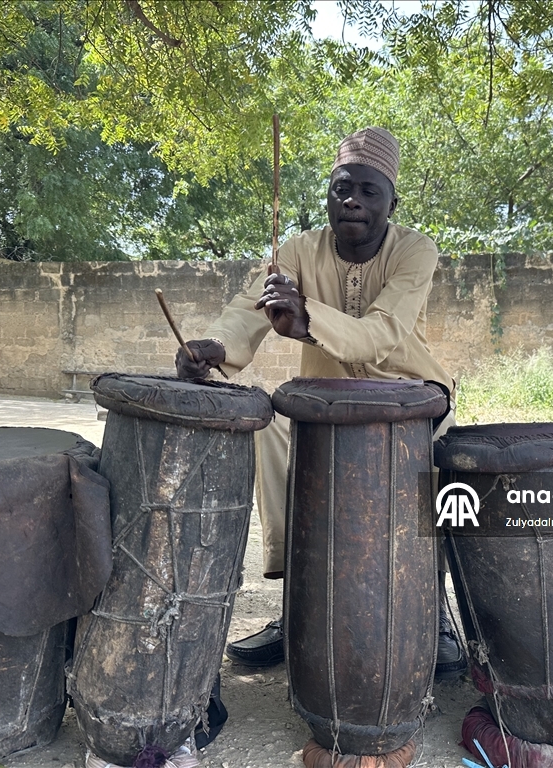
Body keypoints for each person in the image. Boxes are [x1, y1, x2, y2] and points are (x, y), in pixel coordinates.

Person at [176, 126, 466, 681]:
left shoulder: (415, 251)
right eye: (340, 189)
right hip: (329, 402)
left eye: (367, 190)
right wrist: (211, 347)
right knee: (271, 430)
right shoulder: (298, 251)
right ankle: (299, 607)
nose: (351, 199)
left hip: (412, 398)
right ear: (328, 197)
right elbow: (247, 310)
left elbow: (381, 332)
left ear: (391, 202)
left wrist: (305, 318)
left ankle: (435, 620)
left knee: (429, 488)